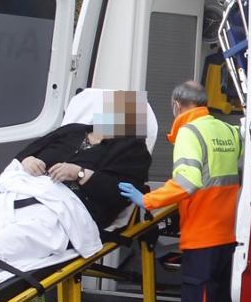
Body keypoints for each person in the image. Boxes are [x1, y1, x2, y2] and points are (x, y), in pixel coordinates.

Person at [119, 80, 243, 302]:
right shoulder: (227, 131)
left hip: (202, 242)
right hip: (228, 241)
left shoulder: (190, 132)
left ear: (177, 105)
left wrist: (148, 200)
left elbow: (187, 181)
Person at [16, 88, 152, 228]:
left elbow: (119, 195)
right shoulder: (72, 130)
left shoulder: (133, 149)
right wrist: (28, 160)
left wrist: (79, 173)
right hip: (26, 192)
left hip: (70, 211)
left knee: (22, 230)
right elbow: (24, 154)